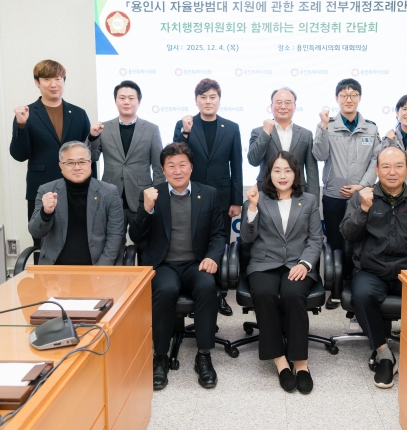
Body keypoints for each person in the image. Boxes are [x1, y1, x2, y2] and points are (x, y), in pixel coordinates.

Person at [129, 142, 225, 391]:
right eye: (171, 166)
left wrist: (212, 257)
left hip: (196, 263)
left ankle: (204, 355)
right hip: (164, 264)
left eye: (182, 164)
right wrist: (146, 209)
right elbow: (137, 236)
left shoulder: (209, 194)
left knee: (206, 286)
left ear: (191, 167)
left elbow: (218, 234)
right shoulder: (152, 194)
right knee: (166, 290)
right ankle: (160, 356)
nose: (177, 170)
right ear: (163, 170)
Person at [340, 147, 407, 389]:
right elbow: (347, 234)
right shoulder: (362, 198)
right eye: (385, 166)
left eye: (398, 166)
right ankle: (384, 353)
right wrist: (363, 209)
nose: (392, 172)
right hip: (372, 270)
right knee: (362, 295)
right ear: (376, 170)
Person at [241, 151, 323, 394]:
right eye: (277, 170)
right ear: (269, 174)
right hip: (264, 263)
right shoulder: (258, 199)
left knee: (293, 294)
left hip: (297, 263)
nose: (282, 175)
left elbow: (315, 239)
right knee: (264, 294)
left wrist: (305, 264)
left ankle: (301, 363)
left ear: (296, 174)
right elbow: (246, 239)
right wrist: (252, 207)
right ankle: (280, 362)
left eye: (287, 170)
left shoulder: (309, 200)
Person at [173, 78, 242, 316]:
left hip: (222, 197)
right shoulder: (185, 125)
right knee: (195, 244)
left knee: (218, 245)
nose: (208, 101)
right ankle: (198, 294)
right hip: (192, 196)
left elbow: (236, 165)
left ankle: (220, 295)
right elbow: (176, 157)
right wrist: (185, 132)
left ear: (219, 100)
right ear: (196, 100)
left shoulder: (231, 127)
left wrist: (236, 200)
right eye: (203, 97)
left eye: (212, 97)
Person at [10, 60, 95, 253]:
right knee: (43, 245)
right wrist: (21, 125)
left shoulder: (79, 113)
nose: (53, 84)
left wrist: (92, 186)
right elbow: (19, 155)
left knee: (78, 243)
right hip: (41, 189)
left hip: (77, 191)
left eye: (58, 79)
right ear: (37, 82)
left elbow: (88, 155)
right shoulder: (26, 114)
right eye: (47, 79)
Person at [313, 78, 380, 309]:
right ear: (337, 98)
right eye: (344, 95)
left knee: (359, 242)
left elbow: (376, 160)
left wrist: (362, 185)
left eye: (353, 95)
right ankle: (336, 289)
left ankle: (354, 285)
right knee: (336, 242)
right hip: (334, 194)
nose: (348, 99)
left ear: (359, 98)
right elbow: (319, 155)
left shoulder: (371, 128)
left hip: (362, 196)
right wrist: (323, 127)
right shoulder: (327, 125)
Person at [87, 80, 165, 235]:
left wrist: (157, 196)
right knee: (113, 242)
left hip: (141, 197)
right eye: (122, 98)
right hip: (111, 194)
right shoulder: (103, 128)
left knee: (145, 242)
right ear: (115, 101)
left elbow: (158, 167)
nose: (126, 102)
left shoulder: (151, 129)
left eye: (131, 98)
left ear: (139, 101)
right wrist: (92, 137)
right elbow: (92, 157)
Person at [28, 141, 124, 265]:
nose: (77, 167)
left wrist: (101, 268)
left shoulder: (109, 192)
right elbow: (36, 232)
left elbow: (115, 235)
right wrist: (46, 213)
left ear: (90, 163)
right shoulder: (47, 191)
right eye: (70, 163)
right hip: (55, 267)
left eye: (82, 162)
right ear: (61, 166)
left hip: (96, 265)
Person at [247, 87, 319, 196]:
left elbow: (312, 171)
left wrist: (314, 200)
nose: (283, 106)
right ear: (271, 106)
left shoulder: (306, 134)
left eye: (288, 103)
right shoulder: (258, 132)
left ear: (295, 106)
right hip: (267, 191)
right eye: (279, 102)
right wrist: (266, 133)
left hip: (297, 192)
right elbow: (253, 161)